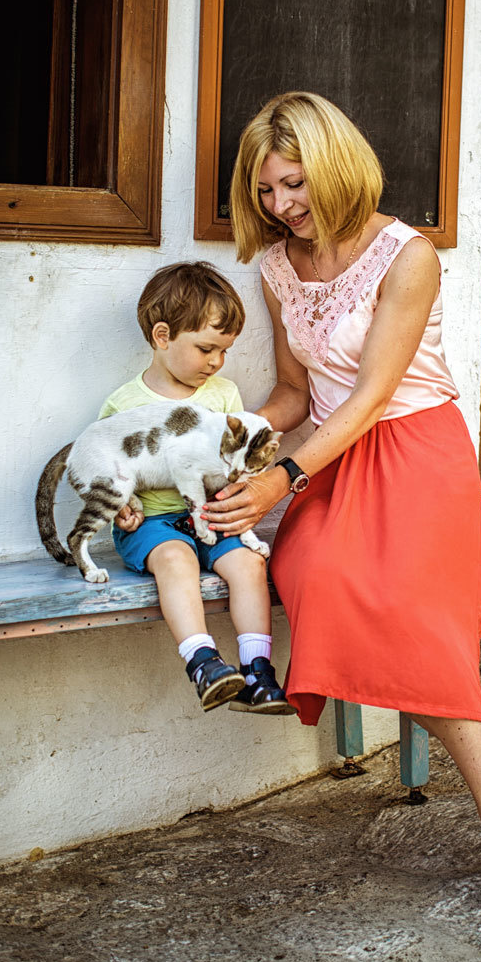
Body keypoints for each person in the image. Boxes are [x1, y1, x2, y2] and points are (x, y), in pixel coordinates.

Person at [203, 92, 481, 915]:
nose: (281, 205)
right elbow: (297, 393)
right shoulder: (277, 268)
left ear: (333, 167)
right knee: (322, 582)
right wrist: (229, 433)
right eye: (265, 191)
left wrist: (281, 480)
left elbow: (368, 399)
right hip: (331, 466)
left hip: (415, 455)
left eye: (294, 184)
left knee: (404, 617)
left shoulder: (408, 255)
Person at [101, 261, 294, 715]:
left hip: (210, 515)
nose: (216, 362)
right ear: (162, 336)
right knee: (177, 559)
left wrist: (237, 498)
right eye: (206, 348)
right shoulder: (125, 404)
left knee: (249, 563)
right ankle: (203, 662)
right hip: (153, 523)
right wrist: (121, 505)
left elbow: (234, 462)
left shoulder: (223, 397)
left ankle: (257, 672)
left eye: (224, 351)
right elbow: (109, 467)